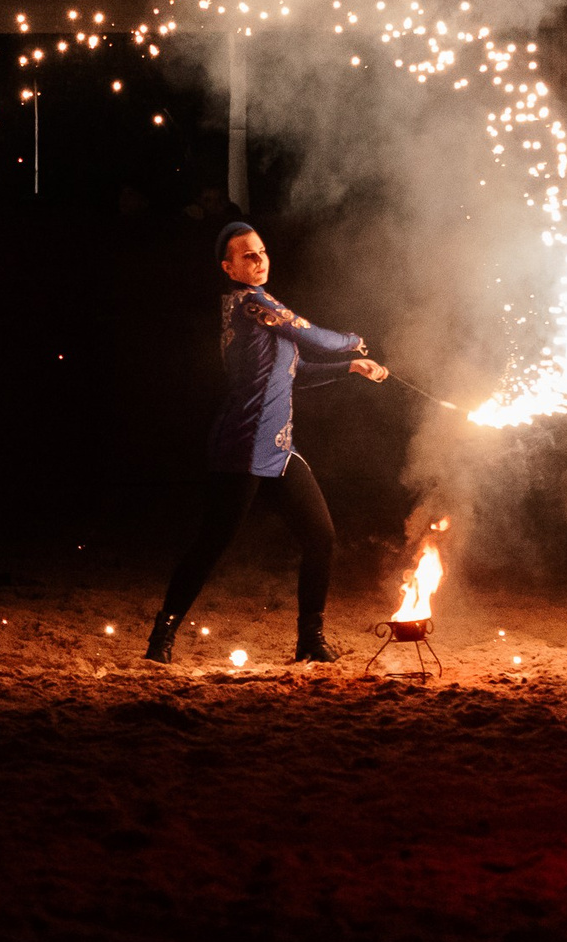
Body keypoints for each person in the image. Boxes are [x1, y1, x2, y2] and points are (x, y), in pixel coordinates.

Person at [146, 223, 390, 664]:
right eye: (248, 256)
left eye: (262, 252)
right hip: (241, 446)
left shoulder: (264, 307)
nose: (260, 261)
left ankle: (310, 642)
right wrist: (353, 342)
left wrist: (350, 368)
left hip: (278, 449)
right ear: (229, 267)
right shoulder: (252, 304)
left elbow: (295, 374)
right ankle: (161, 637)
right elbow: (314, 336)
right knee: (212, 544)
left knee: (321, 537)